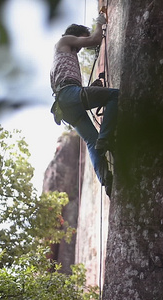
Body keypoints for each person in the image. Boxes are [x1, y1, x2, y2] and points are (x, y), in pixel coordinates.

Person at [50, 12, 118, 197]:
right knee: (114, 96)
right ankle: (105, 137)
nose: (80, 48)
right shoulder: (65, 40)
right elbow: (95, 40)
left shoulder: (60, 60)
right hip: (70, 95)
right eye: (81, 40)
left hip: (66, 105)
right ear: (77, 35)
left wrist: (90, 89)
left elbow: (64, 86)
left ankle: (107, 181)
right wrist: (100, 22)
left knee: (90, 140)